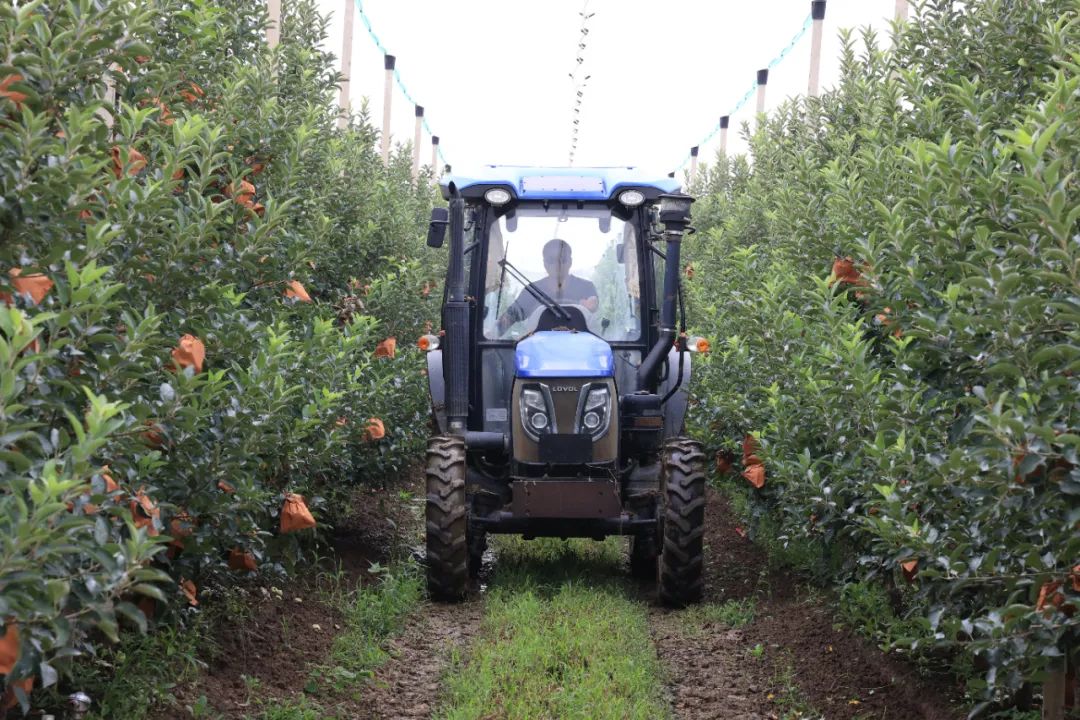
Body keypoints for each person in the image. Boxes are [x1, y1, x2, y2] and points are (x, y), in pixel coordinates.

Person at [496, 239, 599, 335]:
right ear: (544, 263)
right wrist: (492, 333)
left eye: (562, 259)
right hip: (537, 351)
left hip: (581, 349)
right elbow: (510, 316)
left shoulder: (586, 287)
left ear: (570, 261)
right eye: (551, 260)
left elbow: (592, 304)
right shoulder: (532, 291)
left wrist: (591, 304)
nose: (557, 264)